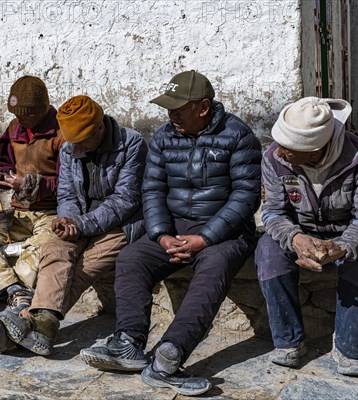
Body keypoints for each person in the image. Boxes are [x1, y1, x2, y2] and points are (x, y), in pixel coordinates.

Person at [80, 70, 262, 397]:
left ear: (203, 107)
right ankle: (129, 343)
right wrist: (162, 234)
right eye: (168, 107)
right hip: (174, 227)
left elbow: (245, 197)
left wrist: (205, 238)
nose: (170, 114)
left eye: (178, 108)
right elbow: (152, 190)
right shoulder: (164, 137)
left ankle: (170, 356)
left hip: (225, 230)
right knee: (132, 258)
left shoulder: (238, 136)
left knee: (213, 270)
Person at [0, 95, 147, 356]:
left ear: (99, 129)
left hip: (121, 225)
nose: (77, 149)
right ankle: (42, 328)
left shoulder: (131, 144)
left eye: (83, 141)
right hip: (79, 220)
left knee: (82, 268)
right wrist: (67, 219)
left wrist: (80, 223)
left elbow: (125, 200)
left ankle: (30, 322)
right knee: (55, 249)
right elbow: (67, 194)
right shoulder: (70, 147)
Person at [256, 97, 358, 376]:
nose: (280, 152)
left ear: (314, 150)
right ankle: (290, 343)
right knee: (267, 252)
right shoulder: (274, 158)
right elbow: (273, 212)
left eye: (289, 148)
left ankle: (350, 349)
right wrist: (296, 239)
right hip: (298, 232)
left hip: (346, 233)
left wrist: (343, 246)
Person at [0, 76, 64, 313]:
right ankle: (13, 289)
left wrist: (29, 183)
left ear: (41, 110)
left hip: (52, 211)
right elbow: (6, 165)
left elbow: (70, 185)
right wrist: (0, 177)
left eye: (25, 115)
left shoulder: (61, 133)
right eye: (16, 114)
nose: (19, 120)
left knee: (46, 245)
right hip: (20, 212)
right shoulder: (14, 128)